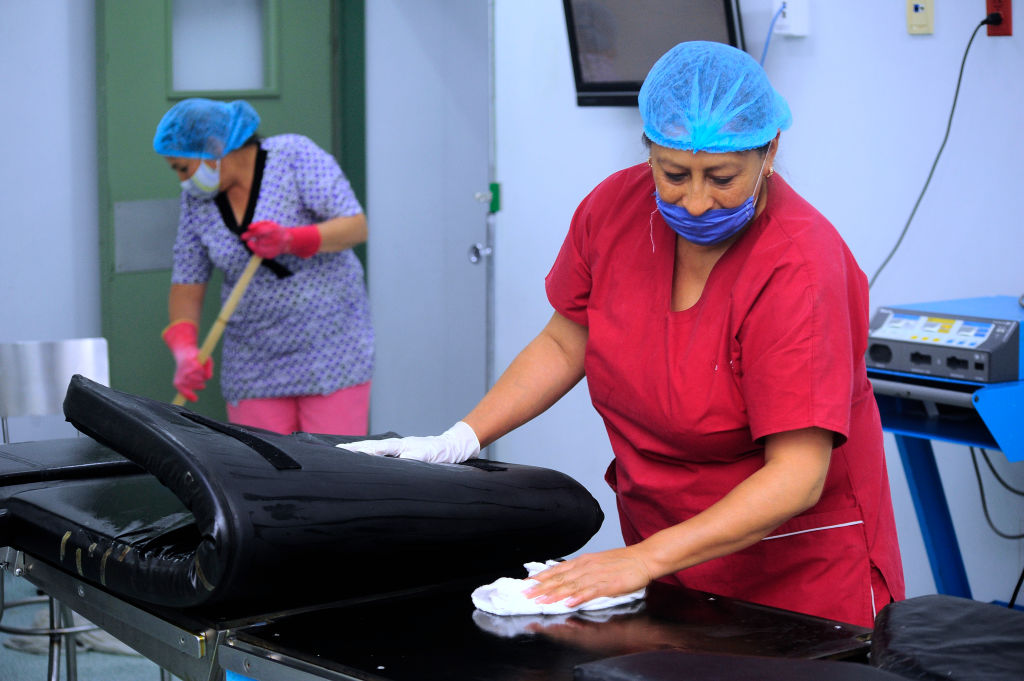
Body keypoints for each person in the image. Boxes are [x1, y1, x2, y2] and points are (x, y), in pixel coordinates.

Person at [344, 41, 904, 628]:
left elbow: (796, 476)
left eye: (722, 177)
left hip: (797, 576)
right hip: (663, 554)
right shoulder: (613, 210)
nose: (696, 201)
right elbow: (566, 341)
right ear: (649, 152)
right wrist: (460, 439)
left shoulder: (800, 267)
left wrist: (640, 561)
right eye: (673, 173)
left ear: (770, 152)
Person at [153, 98, 373, 435]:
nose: (183, 180)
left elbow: (355, 227)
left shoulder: (293, 156)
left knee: (334, 473)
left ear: (214, 149)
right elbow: (187, 280)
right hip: (254, 363)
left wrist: (290, 240)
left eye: (183, 167)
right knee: (262, 473)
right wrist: (185, 349)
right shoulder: (197, 201)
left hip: (330, 351)